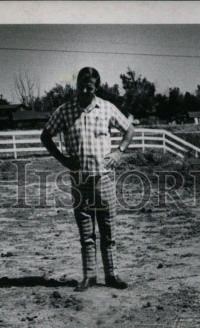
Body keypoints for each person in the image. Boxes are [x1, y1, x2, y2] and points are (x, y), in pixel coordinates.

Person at [41, 66, 137, 292]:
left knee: (108, 232)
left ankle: (112, 275)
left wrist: (119, 152)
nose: (84, 90)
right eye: (81, 86)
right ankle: (89, 277)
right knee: (86, 233)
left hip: (104, 180)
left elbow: (129, 129)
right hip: (79, 181)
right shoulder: (65, 111)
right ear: (76, 86)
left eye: (89, 87)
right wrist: (63, 160)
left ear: (97, 87)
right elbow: (45, 136)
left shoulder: (107, 108)